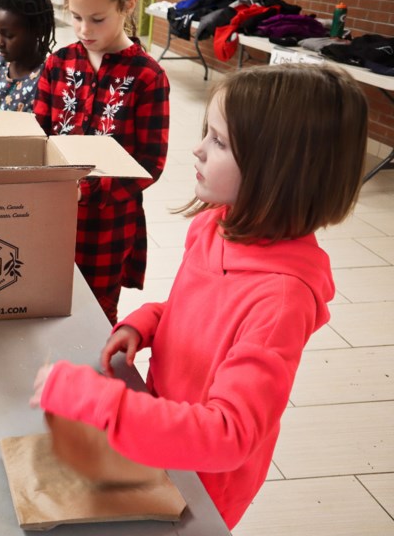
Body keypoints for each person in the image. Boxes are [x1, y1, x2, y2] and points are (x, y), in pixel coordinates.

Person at [31, 64, 369, 530]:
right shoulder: (213, 225)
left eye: (220, 141)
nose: (198, 148)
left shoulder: (281, 301)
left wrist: (100, 402)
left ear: (280, 170)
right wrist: (146, 323)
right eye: (206, 133)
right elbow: (193, 308)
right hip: (158, 429)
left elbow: (228, 434)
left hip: (205, 480)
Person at [32, 0, 169, 324]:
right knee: (46, 302)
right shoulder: (59, 63)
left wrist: (85, 189)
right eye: (75, 17)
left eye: (97, 19)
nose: (83, 30)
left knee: (95, 315)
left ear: (128, 5)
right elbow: (37, 136)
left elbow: (149, 164)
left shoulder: (147, 75)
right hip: (51, 215)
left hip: (107, 227)